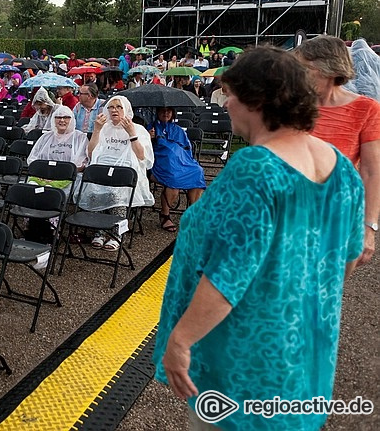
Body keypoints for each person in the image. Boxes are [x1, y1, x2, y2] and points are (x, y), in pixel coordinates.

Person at [153, 46, 364, 431]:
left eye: (232, 93)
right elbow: (346, 260)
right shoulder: (342, 169)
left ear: (258, 100)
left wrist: (181, 341)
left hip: (244, 361)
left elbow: (227, 276)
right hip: (303, 353)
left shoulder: (255, 170)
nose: (227, 102)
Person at [295, 35, 380, 266]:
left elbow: (372, 172)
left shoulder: (366, 109)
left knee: (325, 291)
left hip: (337, 215)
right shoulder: (292, 105)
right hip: (290, 210)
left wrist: (369, 228)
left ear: (329, 70)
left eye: (305, 68)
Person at [76, 96, 154, 250]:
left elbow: (142, 156)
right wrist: (97, 130)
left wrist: (132, 133)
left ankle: (116, 233)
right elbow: (91, 153)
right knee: (96, 189)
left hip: (126, 173)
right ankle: (100, 230)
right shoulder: (104, 128)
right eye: (111, 107)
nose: (114, 110)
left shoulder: (138, 129)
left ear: (126, 109)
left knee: (117, 192)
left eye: (118, 106)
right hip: (103, 170)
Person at [148, 107, 206, 232]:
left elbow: (187, 149)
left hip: (181, 163)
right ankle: (165, 215)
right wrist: (149, 138)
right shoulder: (150, 128)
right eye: (162, 110)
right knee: (173, 179)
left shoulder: (178, 130)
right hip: (161, 164)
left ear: (172, 113)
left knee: (197, 172)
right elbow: (143, 150)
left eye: (169, 111)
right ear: (157, 112)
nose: (165, 113)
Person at [26, 105, 89, 189]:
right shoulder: (46, 137)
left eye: (66, 117)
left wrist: (58, 174)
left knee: (50, 190)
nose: (62, 120)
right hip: (42, 175)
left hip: (66, 177)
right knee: (32, 186)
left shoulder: (80, 137)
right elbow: (33, 158)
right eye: (58, 117)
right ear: (53, 119)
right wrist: (42, 172)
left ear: (72, 119)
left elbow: (80, 164)